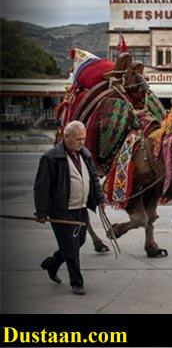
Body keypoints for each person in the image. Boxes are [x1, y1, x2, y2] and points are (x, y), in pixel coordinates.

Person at [34, 120, 105, 295]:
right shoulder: (51, 158)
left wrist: (99, 198)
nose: (82, 142)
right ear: (67, 137)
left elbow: (94, 178)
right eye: (78, 139)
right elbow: (41, 187)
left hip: (80, 208)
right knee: (71, 247)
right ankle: (77, 283)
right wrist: (42, 212)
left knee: (79, 241)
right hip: (61, 210)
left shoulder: (85, 154)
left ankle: (52, 264)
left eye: (84, 139)